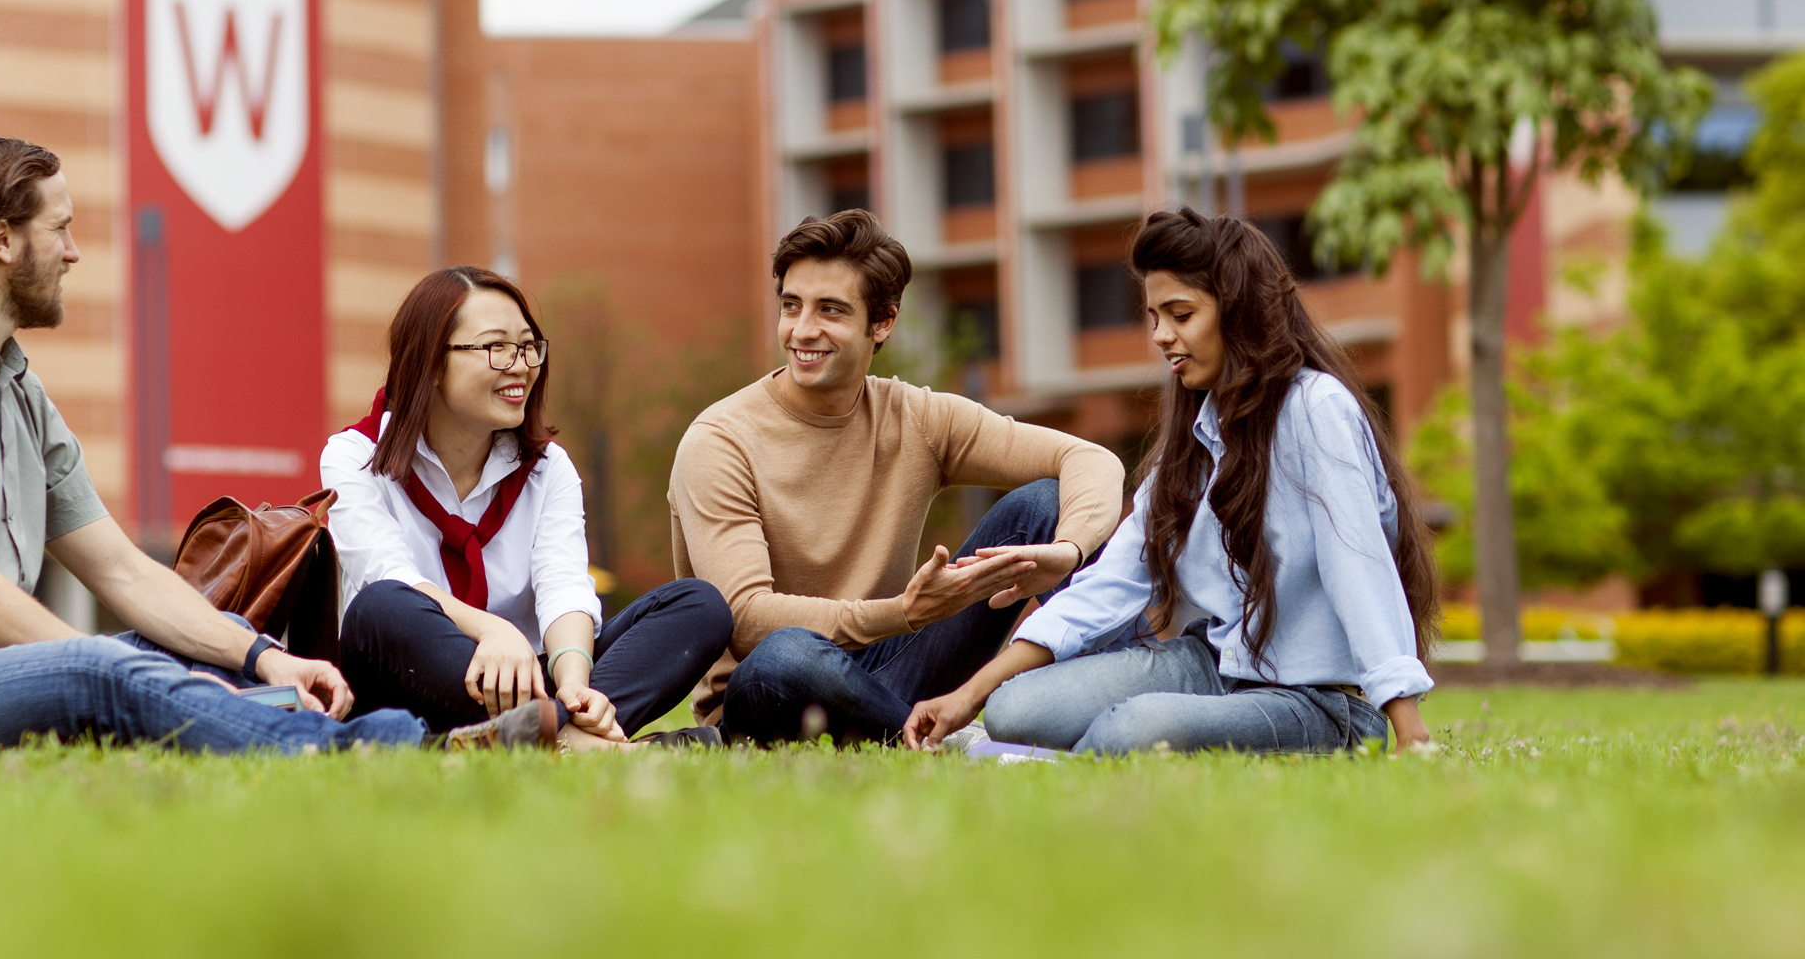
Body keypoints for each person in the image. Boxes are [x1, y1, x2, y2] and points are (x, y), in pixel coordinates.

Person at [0, 133, 428, 754]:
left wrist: (264, 654)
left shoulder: (17, 390)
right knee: (100, 669)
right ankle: (370, 749)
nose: (73, 252)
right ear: (3, 241)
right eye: (59, 229)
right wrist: (98, 662)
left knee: (187, 647)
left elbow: (123, 570)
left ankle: (271, 705)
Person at [903, 208, 1439, 758]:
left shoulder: (1316, 409)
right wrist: (968, 695)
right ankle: (1025, 753)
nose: (1161, 336)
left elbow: (1359, 563)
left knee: (1134, 730)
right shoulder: (1195, 437)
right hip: (1213, 666)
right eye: (1154, 316)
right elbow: (1112, 582)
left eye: (1181, 314)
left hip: (1320, 703)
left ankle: (1011, 761)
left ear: (1239, 312)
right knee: (1016, 708)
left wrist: (1408, 726)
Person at [667, 209, 1126, 745]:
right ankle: (955, 738)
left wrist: (1066, 550)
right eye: (791, 306)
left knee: (1045, 505)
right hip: (775, 694)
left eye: (830, 310)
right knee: (787, 653)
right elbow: (745, 619)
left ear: (882, 322)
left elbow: (1094, 461)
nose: (802, 330)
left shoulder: (917, 418)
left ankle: (1095, 707)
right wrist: (904, 611)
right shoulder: (720, 440)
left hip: (898, 664)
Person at [324, 266, 733, 750]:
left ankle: (558, 732)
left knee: (698, 605)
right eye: (496, 348)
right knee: (382, 606)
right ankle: (577, 742)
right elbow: (386, 573)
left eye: (527, 347)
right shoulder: (356, 456)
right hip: (408, 679)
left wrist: (576, 681)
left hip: (528, 682)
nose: (520, 365)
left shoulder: (546, 468)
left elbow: (563, 586)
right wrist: (491, 630)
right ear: (431, 363)